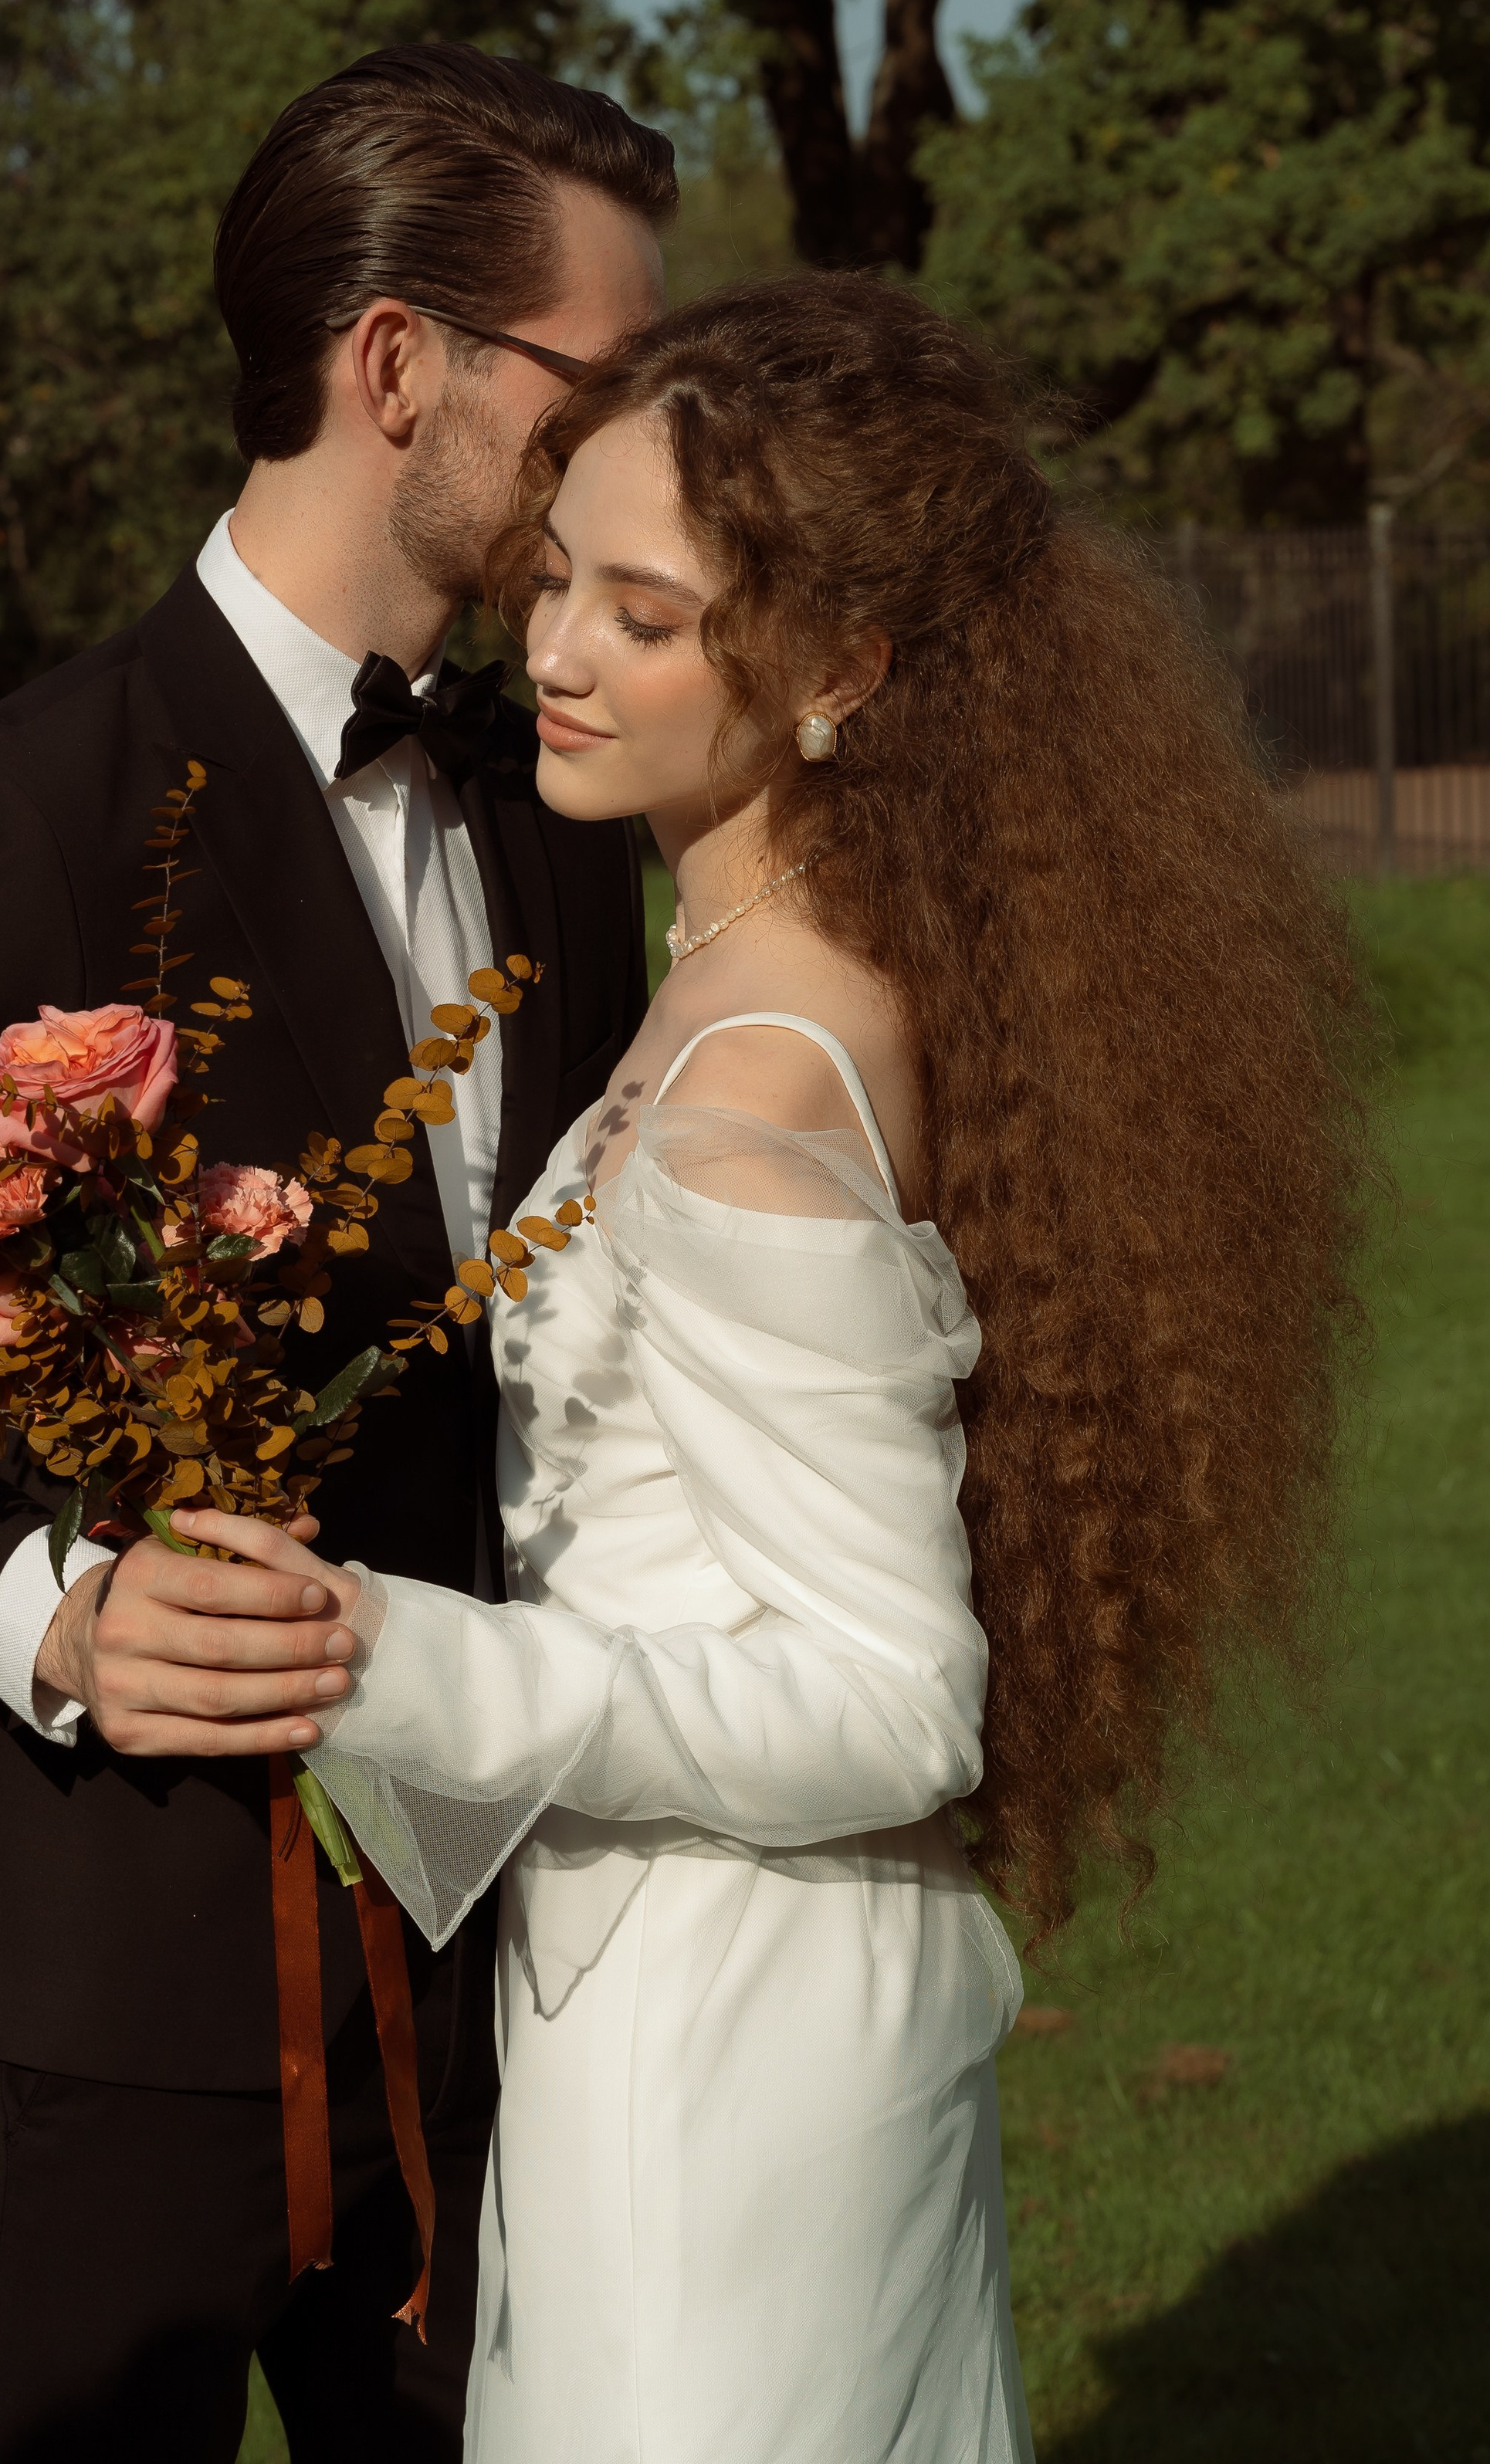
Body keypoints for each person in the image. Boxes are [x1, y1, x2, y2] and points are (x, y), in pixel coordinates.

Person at [171, 272, 1372, 2462]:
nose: (551, 652)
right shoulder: (733, 957)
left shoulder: (752, 1100)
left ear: (842, 668)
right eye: (560, 585)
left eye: (647, 613)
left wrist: (387, 1661)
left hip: (726, 2054)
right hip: (691, 1992)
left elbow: (897, 1697)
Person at [0, 42, 674, 2462]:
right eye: (601, 386)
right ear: (399, 364)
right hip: (92, 1996)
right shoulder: (19, 813)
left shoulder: (560, 809)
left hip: (477, 1971)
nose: (642, 452)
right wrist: (61, 1619)